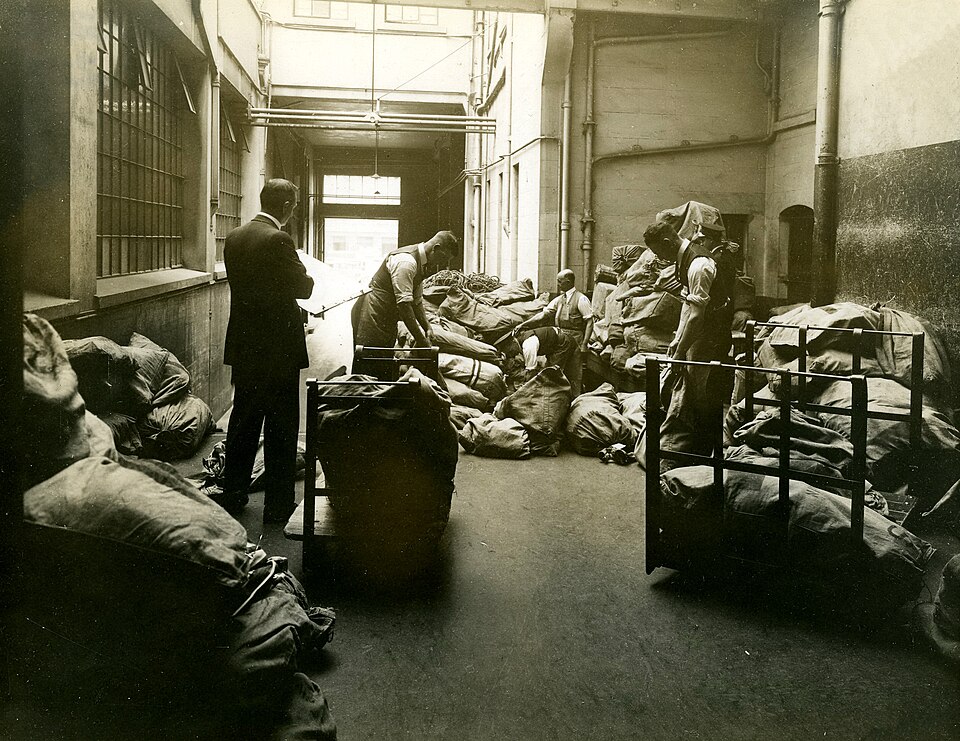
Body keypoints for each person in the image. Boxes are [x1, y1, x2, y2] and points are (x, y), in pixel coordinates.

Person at [220, 178, 315, 523]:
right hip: (278, 351)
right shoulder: (279, 239)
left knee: (242, 422)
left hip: (245, 346)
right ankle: (277, 506)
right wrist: (305, 274)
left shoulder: (234, 236)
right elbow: (302, 287)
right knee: (281, 426)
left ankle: (233, 493)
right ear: (287, 206)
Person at [642, 219, 735, 469]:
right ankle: (694, 452)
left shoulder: (699, 265)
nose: (656, 257)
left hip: (711, 335)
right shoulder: (682, 259)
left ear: (666, 243)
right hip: (699, 332)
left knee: (705, 395)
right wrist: (677, 339)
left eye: (656, 251)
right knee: (692, 391)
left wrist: (681, 350)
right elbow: (688, 307)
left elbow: (697, 316)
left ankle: (710, 459)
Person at [351, 231, 460, 351]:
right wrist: (421, 339)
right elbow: (404, 305)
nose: (443, 264)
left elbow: (417, 302)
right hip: (372, 311)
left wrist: (427, 327)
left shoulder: (422, 264)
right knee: (370, 357)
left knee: (384, 355)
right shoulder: (406, 262)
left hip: (386, 313)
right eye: (444, 259)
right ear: (436, 248)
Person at [512, 269, 594, 395]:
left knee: (574, 372)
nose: (558, 284)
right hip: (560, 338)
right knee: (553, 370)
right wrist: (524, 324)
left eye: (560, 282)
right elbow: (543, 315)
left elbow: (590, 322)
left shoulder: (581, 299)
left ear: (568, 282)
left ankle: (575, 399)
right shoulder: (559, 299)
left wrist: (584, 344)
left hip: (576, 339)